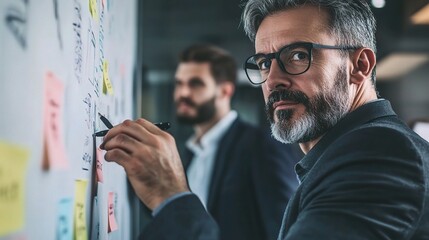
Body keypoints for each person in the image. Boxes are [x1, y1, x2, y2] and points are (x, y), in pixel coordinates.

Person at [100, 0, 429, 239]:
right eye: (263, 62)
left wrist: (172, 197)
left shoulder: (381, 153)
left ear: (359, 65)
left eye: (298, 55)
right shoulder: (343, 155)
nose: (273, 79)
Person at [172, 44, 300, 240]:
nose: (183, 93)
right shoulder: (189, 152)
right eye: (179, 83)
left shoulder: (261, 145)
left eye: (195, 84)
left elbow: (285, 229)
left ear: (225, 91)